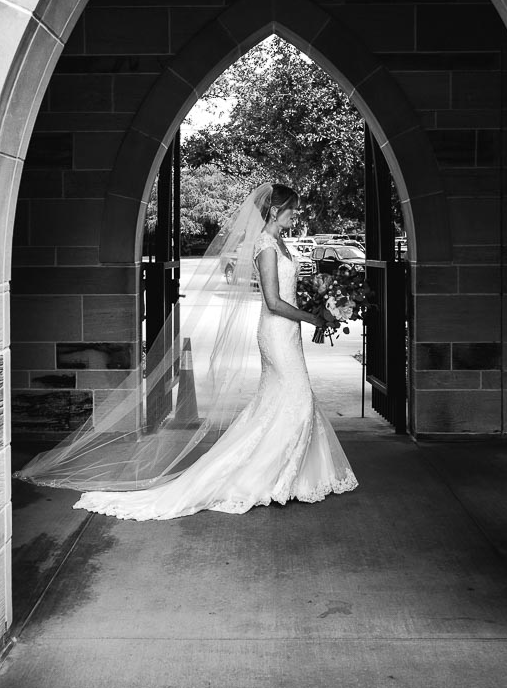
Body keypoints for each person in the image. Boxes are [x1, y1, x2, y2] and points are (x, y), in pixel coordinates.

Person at [18, 182, 358, 520]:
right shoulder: (265, 246)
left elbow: (290, 291)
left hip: (290, 334)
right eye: (291, 209)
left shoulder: (281, 242)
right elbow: (272, 302)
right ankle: (267, 477)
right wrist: (314, 317)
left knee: (283, 400)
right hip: (276, 332)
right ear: (274, 210)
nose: (295, 214)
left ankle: (295, 476)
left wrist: (320, 304)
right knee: (297, 398)